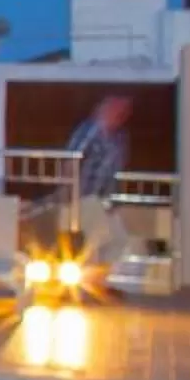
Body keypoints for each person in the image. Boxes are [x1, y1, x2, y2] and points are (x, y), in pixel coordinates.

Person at [66, 95, 133, 269]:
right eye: (117, 109)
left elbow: (116, 170)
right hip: (86, 195)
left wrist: (113, 201)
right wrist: (70, 192)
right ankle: (89, 284)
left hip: (106, 199)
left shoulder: (120, 137)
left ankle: (101, 280)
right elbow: (71, 160)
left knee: (118, 241)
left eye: (125, 111)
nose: (121, 114)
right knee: (94, 241)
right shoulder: (90, 131)